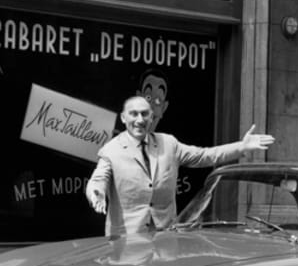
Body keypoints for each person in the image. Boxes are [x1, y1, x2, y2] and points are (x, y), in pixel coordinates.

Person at [87, 95, 274, 235]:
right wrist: (97, 193)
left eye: (144, 114)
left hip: (164, 239)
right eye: (133, 114)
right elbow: (98, 180)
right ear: (123, 118)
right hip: (126, 241)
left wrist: (241, 147)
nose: (139, 120)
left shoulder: (168, 144)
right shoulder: (111, 150)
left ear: (151, 117)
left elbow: (205, 155)